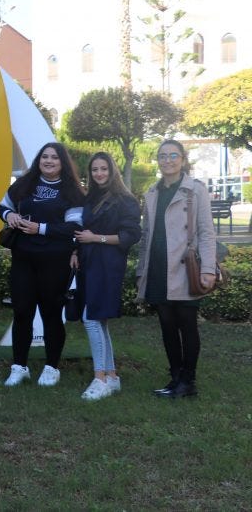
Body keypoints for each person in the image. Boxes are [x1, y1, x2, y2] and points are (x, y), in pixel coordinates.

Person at [0, 142, 85, 387]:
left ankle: (51, 367)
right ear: (39, 160)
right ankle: (19, 366)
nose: (48, 161)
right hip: (23, 259)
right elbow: (2, 206)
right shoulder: (24, 184)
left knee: (51, 315)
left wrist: (40, 228)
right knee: (22, 312)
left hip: (55, 261)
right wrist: (10, 215)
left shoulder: (72, 192)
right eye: (45, 157)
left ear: (63, 163)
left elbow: (74, 227)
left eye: (54, 158)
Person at [135, 140, 215, 399]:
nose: (167, 160)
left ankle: (188, 381)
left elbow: (206, 232)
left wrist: (209, 270)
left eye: (173, 155)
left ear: (182, 159)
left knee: (187, 325)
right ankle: (175, 378)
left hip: (185, 267)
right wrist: (141, 270)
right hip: (158, 268)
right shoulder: (152, 191)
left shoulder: (195, 190)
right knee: (167, 325)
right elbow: (146, 235)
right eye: (162, 156)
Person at [72, 152, 141, 400]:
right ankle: (111, 377)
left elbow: (131, 236)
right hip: (89, 263)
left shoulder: (125, 200)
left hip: (108, 264)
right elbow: (81, 230)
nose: (99, 174)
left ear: (112, 171)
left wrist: (96, 239)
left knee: (91, 318)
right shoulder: (91, 197)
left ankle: (99, 378)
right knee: (99, 319)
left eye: (104, 169)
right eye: (95, 170)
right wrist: (77, 249)